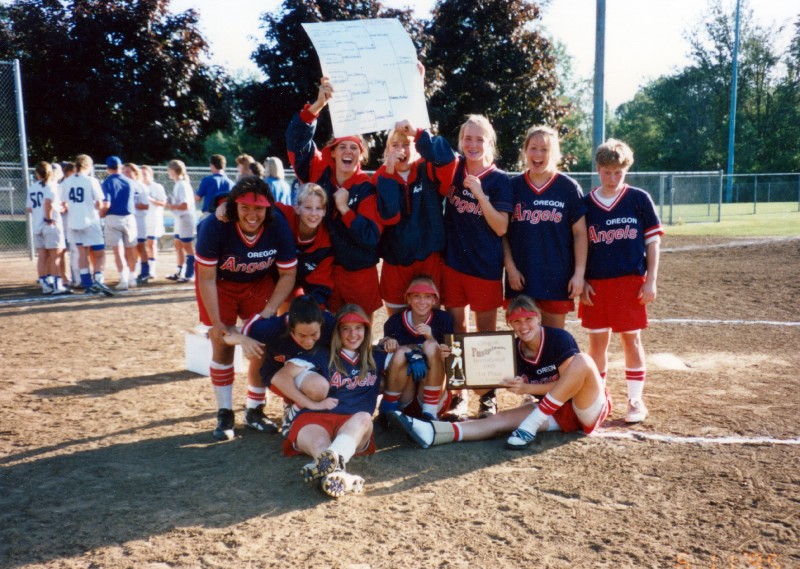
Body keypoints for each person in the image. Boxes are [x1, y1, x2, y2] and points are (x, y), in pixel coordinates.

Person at [390, 295, 611, 450]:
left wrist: (528, 389)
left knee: (583, 361)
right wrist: (461, 362)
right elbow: (481, 391)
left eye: (528, 319)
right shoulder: (510, 349)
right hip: (554, 412)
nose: (523, 326)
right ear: (510, 325)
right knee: (499, 419)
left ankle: (530, 426)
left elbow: (568, 387)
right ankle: (434, 433)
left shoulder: (557, 338)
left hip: (584, 405)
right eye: (516, 321)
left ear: (539, 319)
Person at [194, 176, 297, 441]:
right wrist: (219, 325)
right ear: (234, 206)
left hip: (258, 283)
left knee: (261, 342)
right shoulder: (215, 226)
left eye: (259, 208)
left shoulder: (277, 225)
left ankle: (254, 408)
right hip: (220, 284)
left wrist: (268, 311)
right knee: (221, 342)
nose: (252, 214)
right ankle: (224, 411)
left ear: (268, 208)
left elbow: (288, 274)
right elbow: (206, 277)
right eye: (245, 208)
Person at [286, 76, 388, 321]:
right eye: (342, 146)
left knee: (359, 329)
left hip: (357, 270)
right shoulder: (319, 169)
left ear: (361, 156)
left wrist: (345, 210)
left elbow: (370, 235)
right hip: (321, 266)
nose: (348, 152)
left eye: (354, 148)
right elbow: (295, 140)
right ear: (332, 151)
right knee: (321, 329)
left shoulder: (366, 186)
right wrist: (318, 106)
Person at [579, 139, 663, 424]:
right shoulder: (586, 204)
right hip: (597, 285)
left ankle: (635, 400)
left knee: (632, 340)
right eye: (606, 172)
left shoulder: (638, 199)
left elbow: (652, 243)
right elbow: (578, 246)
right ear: (598, 169)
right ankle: (600, 397)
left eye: (618, 172)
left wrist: (651, 279)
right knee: (597, 344)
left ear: (626, 170)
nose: (612, 178)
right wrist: (583, 279)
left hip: (630, 283)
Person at [271, 304, 387, 499]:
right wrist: (312, 405)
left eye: (359, 328)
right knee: (319, 444)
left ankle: (328, 465)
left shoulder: (377, 355)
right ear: (337, 332)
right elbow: (280, 378)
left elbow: (402, 360)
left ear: (367, 330)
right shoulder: (320, 354)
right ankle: (340, 477)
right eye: (346, 329)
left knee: (364, 418)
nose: (353, 334)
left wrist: (399, 346)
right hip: (316, 418)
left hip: (352, 425)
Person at [441, 114, 513, 417]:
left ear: (489, 143)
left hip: (484, 268)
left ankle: (487, 395)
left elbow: (500, 227)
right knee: (456, 333)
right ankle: (457, 396)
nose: (472, 144)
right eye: (467, 139)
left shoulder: (500, 181)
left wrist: (480, 195)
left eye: (479, 139)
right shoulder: (453, 172)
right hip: (454, 264)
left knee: (486, 334)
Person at [503, 126, 588, 329]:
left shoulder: (568, 187)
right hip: (521, 279)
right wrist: (511, 269)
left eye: (545, 149)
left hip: (557, 278)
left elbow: (580, 233)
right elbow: (502, 233)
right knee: (525, 338)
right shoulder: (513, 186)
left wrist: (579, 274)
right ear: (525, 151)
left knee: (554, 339)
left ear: (555, 153)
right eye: (533, 148)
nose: (538, 154)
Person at [374, 120, 457, 316]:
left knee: (431, 320)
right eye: (395, 145)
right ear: (386, 151)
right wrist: (388, 172)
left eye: (406, 144)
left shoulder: (426, 168)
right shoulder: (379, 176)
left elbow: (448, 160)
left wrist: (419, 133)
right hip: (396, 260)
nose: (401, 150)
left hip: (428, 257)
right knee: (396, 324)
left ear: (416, 149)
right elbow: (389, 216)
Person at [222, 294, 335, 435]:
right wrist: (241, 338)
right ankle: (294, 413)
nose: (308, 341)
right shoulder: (271, 327)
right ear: (290, 326)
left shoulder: (330, 323)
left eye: (314, 334)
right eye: (302, 335)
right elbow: (225, 337)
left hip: (313, 370)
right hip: (280, 377)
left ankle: (296, 407)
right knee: (318, 388)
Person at [377, 275, 454, 422]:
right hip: (404, 393)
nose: (422, 302)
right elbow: (388, 363)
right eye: (416, 296)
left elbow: (453, 362)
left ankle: (430, 414)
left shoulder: (444, 319)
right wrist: (389, 345)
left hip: (433, 396)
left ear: (434, 300)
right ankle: (388, 409)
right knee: (401, 352)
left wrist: (434, 341)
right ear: (408, 299)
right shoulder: (394, 322)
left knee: (431, 346)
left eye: (427, 296)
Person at [274, 183, 334, 309]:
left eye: (318, 208)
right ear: (297, 208)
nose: (313, 213)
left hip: (302, 281)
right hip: (274, 278)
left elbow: (320, 283)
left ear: (324, 212)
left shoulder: (325, 239)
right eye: (308, 207)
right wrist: (224, 202)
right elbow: (264, 205)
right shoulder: (285, 217)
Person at [63, 154, 112, 295]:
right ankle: (98, 279)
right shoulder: (91, 180)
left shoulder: (67, 181)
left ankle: (87, 283)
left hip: (73, 221)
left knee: (82, 252)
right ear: (88, 166)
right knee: (100, 253)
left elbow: (63, 202)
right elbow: (100, 203)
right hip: (90, 220)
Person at [27, 161, 68, 294]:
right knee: (55, 255)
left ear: (37, 174)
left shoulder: (32, 187)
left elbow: (29, 208)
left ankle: (45, 284)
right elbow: (48, 203)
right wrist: (49, 217)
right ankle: (57, 285)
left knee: (42, 256)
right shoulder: (53, 186)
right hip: (50, 224)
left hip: (37, 225)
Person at [101, 156, 138, 290]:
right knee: (131, 249)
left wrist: (101, 213)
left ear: (107, 168)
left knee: (118, 251)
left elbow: (106, 203)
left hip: (113, 217)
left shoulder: (106, 182)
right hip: (129, 217)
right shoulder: (130, 181)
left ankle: (124, 279)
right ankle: (132, 277)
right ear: (120, 167)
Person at [165, 160, 196, 283]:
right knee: (178, 245)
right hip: (180, 218)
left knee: (187, 246)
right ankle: (179, 271)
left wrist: (171, 206)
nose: (168, 172)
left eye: (169, 170)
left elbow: (185, 205)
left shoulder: (182, 184)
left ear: (174, 170)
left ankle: (190, 274)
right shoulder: (178, 184)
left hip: (186, 218)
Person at [122, 163, 151, 283]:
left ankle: (145, 272)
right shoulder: (123, 185)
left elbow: (146, 205)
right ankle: (128, 272)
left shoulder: (141, 186)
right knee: (126, 247)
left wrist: (131, 205)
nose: (126, 174)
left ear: (135, 173)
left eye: (128, 171)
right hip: (126, 220)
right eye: (124, 171)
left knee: (140, 246)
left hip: (138, 220)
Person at [141, 165, 167, 281]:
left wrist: (151, 200)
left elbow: (163, 202)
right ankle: (142, 268)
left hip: (153, 219)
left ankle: (152, 269)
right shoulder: (139, 186)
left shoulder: (157, 187)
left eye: (145, 173)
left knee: (151, 244)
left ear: (150, 174)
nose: (143, 176)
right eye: (141, 174)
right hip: (141, 220)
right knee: (140, 245)